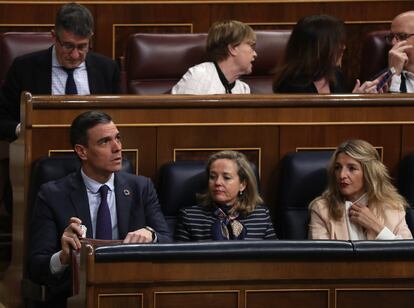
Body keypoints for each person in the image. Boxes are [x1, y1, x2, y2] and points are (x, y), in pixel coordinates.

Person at [28, 111, 172, 306]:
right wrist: (63, 257)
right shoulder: (52, 195)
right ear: (82, 152)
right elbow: (36, 268)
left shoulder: (141, 188)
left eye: (118, 138)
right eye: (105, 142)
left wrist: (150, 234)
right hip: (76, 297)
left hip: (133, 294)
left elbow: (167, 239)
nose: (117, 148)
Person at [0, 2, 120, 142]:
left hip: (95, 153)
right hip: (42, 149)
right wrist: (23, 130)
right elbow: (3, 119)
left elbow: (122, 116)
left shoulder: (107, 69)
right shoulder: (24, 68)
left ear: (90, 39)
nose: (75, 55)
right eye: (68, 46)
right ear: (53, 36)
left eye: (82, 46)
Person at [309, 139, 412, 240]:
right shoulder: (322, 209)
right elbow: (321, 255)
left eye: (352, 168)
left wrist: (377, 227)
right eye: (338, 167)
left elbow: (407, 253)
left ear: (369, 172)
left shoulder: (393, 208)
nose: (342, 175)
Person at [175, 150, 276, 241]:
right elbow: (179, 259)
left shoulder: (261, 216)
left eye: (226, 177)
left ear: (242, 184)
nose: (218, 182)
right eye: (212, 177)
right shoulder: (190, 217)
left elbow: (275, 258)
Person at [273, 14, 379, 94]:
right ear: (317, 49)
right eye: (336, 43)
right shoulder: (292, 85)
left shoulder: (336, 75)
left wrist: (355, 99)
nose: (343, 48)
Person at [171, 20, 257, 94]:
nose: (255, 54)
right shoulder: (199, 76)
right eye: (252, 47)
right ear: (233, 49)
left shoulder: (243, 89)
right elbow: (177, 113)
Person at [387, 11, 414, 93]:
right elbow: (390, 106)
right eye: (391, 37)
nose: (393, 43)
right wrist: (394, 74)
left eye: (402, 36)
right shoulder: (381, 81)